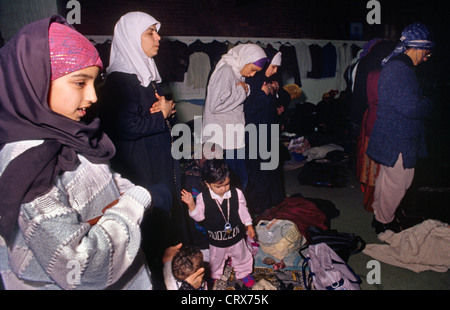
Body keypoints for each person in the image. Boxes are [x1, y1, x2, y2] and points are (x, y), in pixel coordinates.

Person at [0, 15, 153, 289]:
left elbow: (97, 179)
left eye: (95, 83)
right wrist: (134, 203)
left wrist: (127, 189)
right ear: (36, 80)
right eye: (80, 83)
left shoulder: (67, 131)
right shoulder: (28, 165)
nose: (93, 96)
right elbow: (80, 266)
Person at [99, 12, 186, 281]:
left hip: (158, 155)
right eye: (150, 32)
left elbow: (156, 114)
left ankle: (170, 269)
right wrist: (161, 115)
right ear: (131, 38)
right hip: (140, 163)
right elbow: (127, 126)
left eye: (156, 32)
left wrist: (166, 112)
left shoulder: (146, 74)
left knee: (168, 213)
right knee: (150, 223)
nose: (158, 37)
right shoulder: (119, 81)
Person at [367, 23, 434, 234]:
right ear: (417, 46)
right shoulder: (400, 68)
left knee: (387, 179)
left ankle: (379, 216)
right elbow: (411, 108)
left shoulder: (397, 65)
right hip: (398, 138)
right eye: (427, 50)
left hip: (391, 135)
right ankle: (385, 222)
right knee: (399, 181)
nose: (428, 56)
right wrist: (429, 102)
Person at [201, 44, 268, 190]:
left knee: (239, 181)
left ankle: (236, 211)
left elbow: (235, 95)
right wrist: (242, 92)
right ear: (245, 59)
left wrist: (245, 89)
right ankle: (229, 212)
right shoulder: (226, 71)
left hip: (232, 137)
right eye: (253, 70)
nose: (252, 75)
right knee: (229, 184)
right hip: (222, 140)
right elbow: (215, 105)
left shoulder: (236, 71)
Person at [181, 159, 256, 287]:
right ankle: (214, 274)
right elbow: (199, 217)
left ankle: (243, 272)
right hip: (216, 240)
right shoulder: (202, 197)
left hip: (236, 236)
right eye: (218, 186)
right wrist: (191, 204)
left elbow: (243, 209)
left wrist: (248, 224)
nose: (223, 189)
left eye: (226, 184)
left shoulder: (236, 193)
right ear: (208, 184)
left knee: (242, 255)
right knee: (215, 260)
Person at [243, 49, 284, 214]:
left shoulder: (266, 80)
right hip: (254, 133)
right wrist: (263, 93)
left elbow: (266, 108)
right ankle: (258, 207)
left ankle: (269, 203)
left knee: (269, 170)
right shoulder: (252, 81)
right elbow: (247, 109)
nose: (275, 71)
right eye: (273, 67)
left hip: (267, 132)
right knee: (257, 172)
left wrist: (273, 95)